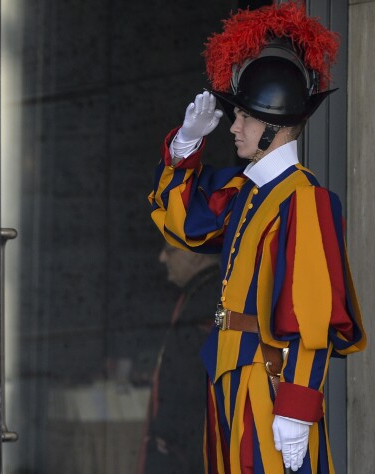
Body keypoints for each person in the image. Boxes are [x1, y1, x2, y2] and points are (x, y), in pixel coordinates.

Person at [147, 3, 366, 473]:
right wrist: (186, 145)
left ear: (273, 126)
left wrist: (298, 404)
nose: (234, 126)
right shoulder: (246, 192)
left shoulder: (305, 199)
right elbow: (183, 221)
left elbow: (312, 314)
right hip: (229, 370)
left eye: (244, 117)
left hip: (268, 378)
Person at [137, 245, 220, 473]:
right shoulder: (195, 293)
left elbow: (196, 380)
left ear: (195, 253)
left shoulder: (212, 298)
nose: (162, 257)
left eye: (170, 250)